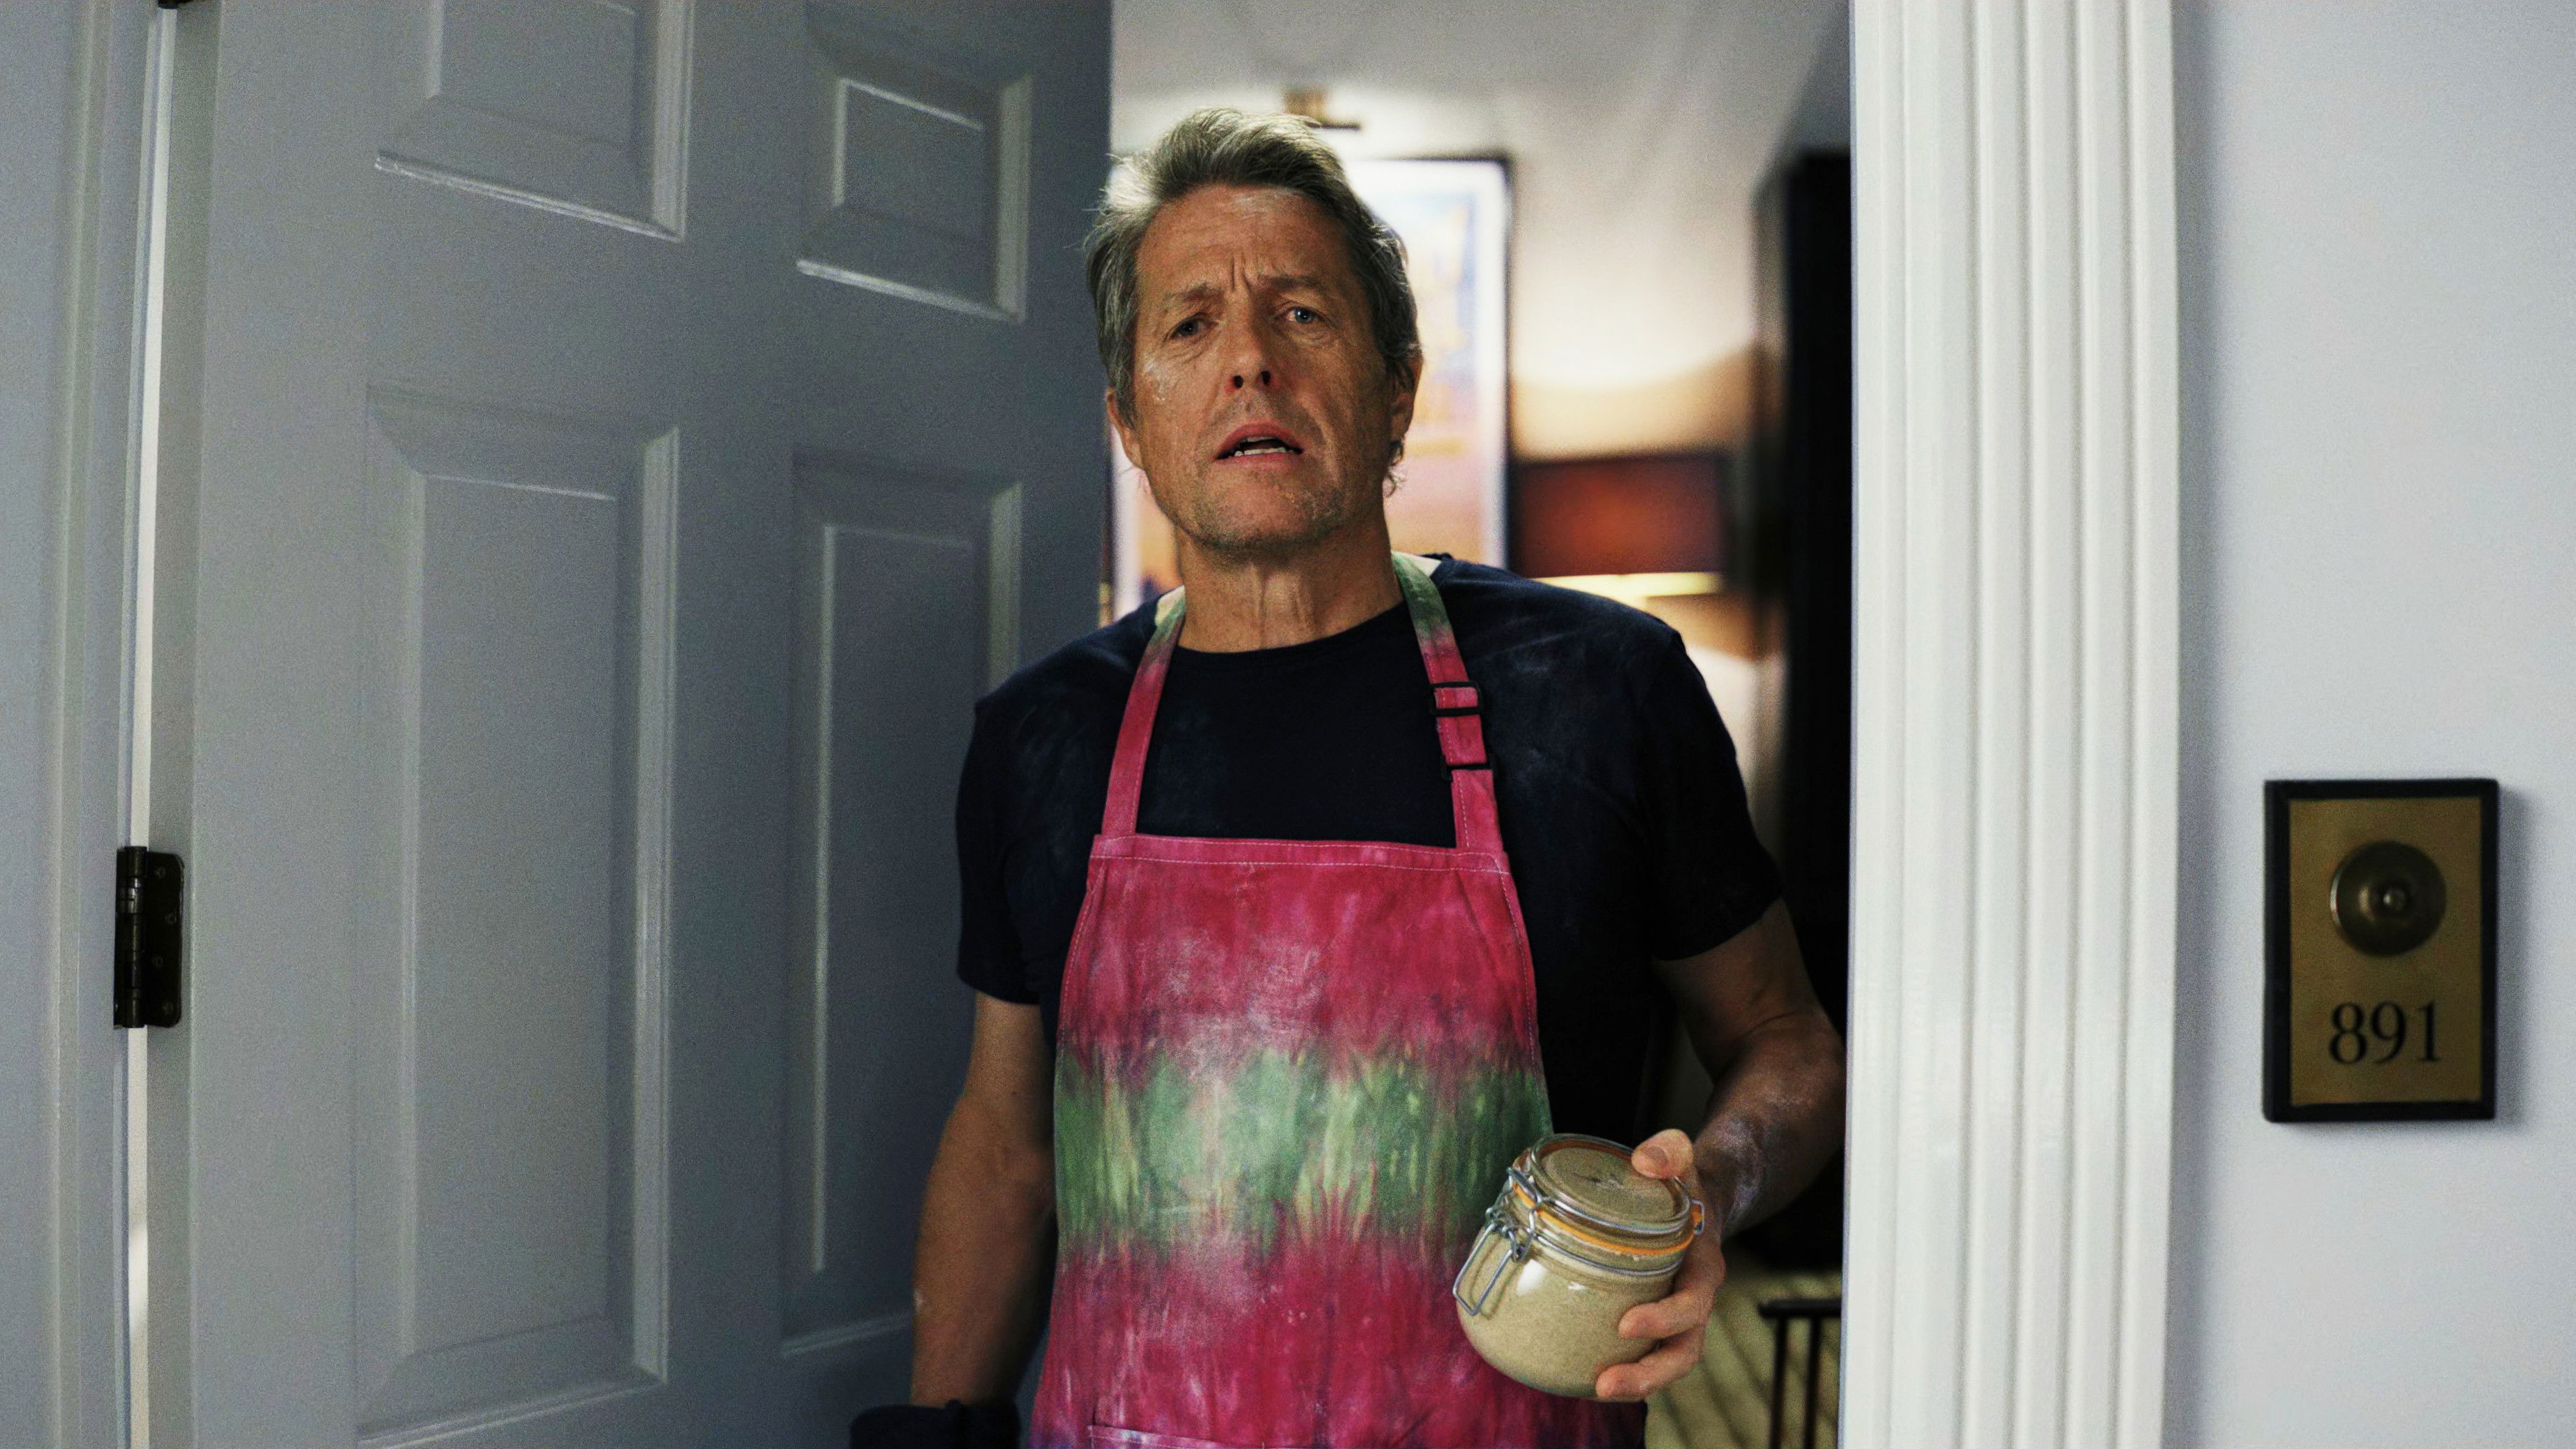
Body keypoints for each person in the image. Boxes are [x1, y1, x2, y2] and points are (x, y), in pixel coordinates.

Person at [867, 108, 1845, 1449]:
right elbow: (1003, 1148)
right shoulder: (1043, 736)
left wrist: (1708, 1190)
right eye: (1190, 324)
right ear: (1130, 423)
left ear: (1395, 390)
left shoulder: (1599, 689)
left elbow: (1785, 1039)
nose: (1250, 360)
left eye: (1303, 313)